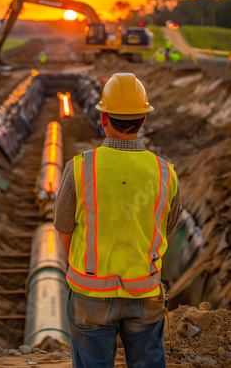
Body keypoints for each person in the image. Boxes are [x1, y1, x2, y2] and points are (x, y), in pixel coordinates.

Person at [53, 73, 181, 368]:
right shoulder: (165, 173)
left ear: (103, 119)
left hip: (89, 295)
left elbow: (63, 229)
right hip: (145, 293)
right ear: (143, 120)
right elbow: (168, 228)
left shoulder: (80, 168)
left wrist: (83, 266)